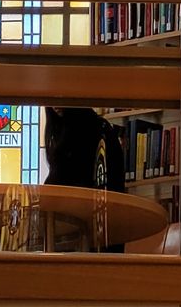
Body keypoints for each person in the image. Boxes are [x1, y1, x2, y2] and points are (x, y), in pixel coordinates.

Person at [44, 106, 125, 252]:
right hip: (92, 238)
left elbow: (58, 185)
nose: (54, 105)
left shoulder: (93, 132)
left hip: (89, 239)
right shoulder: (100, 129)